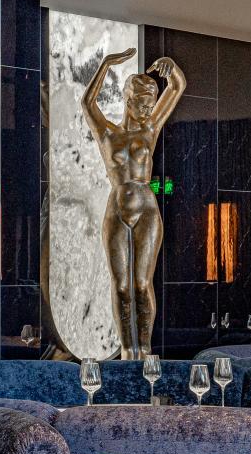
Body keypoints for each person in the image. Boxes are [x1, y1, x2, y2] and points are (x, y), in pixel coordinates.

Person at [80, 49, 186, 358]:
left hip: (146, 210)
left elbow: (177, 87)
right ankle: (128, 351)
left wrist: (173, 68)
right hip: (117, 209)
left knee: (141, 283)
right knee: (121, 286)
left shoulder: (150, 128)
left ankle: (145, 350)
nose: (148, 109)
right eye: (143, 104)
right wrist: (105, 65)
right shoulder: (107, 133)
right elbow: (87, 103)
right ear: (128, 100)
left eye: (151, 104)